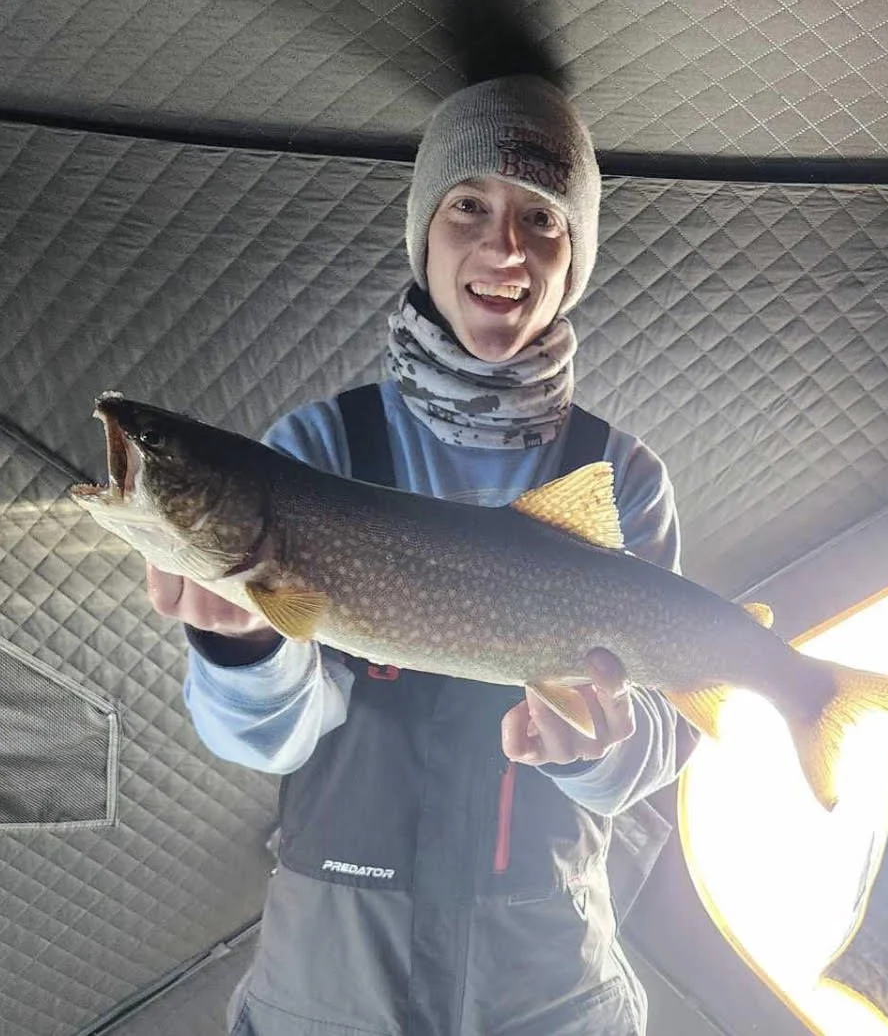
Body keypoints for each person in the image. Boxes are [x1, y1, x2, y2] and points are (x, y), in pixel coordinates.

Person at [148, 72, 686, 1036]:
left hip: (545, 975)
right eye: (466, 205)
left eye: (542, 217)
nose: (502, 243)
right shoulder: (314, 449)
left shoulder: (621, 476)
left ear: (577, 255)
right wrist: (241, 647)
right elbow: (267, 738)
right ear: (423, 234)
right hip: (332, 967)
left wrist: (599, 744)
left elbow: (667, 735)